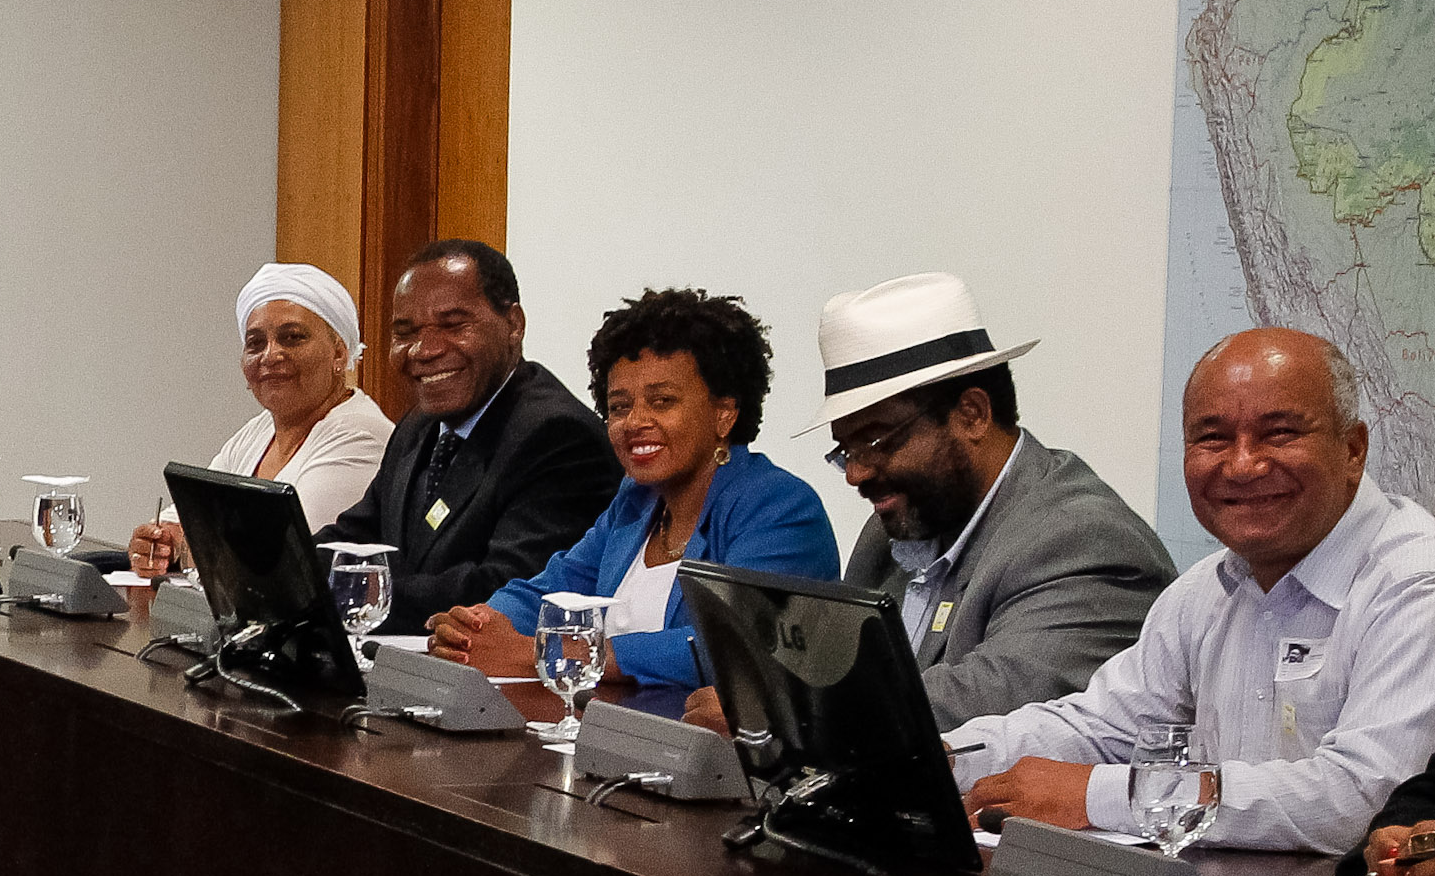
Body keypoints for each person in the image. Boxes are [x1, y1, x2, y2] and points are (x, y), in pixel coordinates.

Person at [954, 329, 1435, 850]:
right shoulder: (1205, 590)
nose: (1243, 464)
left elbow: (1363, 796)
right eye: (1213, 438)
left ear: (1353, 449)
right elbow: (1099, 728)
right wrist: (939, 759)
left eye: (1279, 434)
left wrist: (1101, 795)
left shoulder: (1414, 583)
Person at [686, 273, 1173, 736]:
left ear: (973, 414)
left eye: (875, 441)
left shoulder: (1083, 540)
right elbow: (832, 664)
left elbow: (989, 698)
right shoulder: (892, 530)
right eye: (846, 450)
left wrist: (784, 705)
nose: (855, 474)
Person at [425, 289, 835, 689]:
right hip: (616, 737)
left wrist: (549, 653)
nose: (634, 421)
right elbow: (555, 588)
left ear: (724, 414)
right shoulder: (636, 502)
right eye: (619, 406)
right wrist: (474, 626)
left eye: (662, 402)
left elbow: (734, 644)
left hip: (711, 750)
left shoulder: (779, 509)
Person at [311, 239, 623, 621]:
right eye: (405, 332)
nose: (423, 350)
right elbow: (355, 538)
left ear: (514, 324)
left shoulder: (558, 436)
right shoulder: (419, 425)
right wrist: (280, 572)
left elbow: (500, 592)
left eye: (453, 325)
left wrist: (345, 590)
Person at [125, 262, 392, 575]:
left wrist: (190, 546)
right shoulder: (261, 429)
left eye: (292, 337)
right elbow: (184, 518)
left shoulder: (362, 434)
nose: (270, 355)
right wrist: (158, 543)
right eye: (255, 343)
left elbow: (281, 554)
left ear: (339, 353)